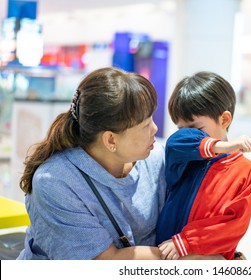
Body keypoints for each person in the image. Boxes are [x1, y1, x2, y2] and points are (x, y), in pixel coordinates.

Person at [17, 67, 166, 260]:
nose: (155, 128)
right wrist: (182, 259)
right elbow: (102, 263)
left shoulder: (154, 157)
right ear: (111, 140)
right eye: (145, 125)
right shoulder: (55, 182)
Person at [156, 71, 251, 260]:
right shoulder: (183, 154)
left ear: (224, 119)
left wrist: (187, 242)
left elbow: (234, 224)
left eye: (196, 128)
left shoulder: (245, 171)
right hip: (165, 253)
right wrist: (225, 146)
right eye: (181, 128)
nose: (188, 134)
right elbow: (178, 141)